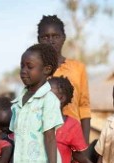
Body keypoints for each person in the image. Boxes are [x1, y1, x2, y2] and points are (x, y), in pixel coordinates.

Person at [37, 15, 91, 143]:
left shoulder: (78, 68)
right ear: (39, 39)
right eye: (46, 37)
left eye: (56, 36)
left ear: (64, 38)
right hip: (43, 137)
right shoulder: (35, 70)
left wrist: (84, 145)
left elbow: (84, 107)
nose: (51, 41)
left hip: (73, 136)